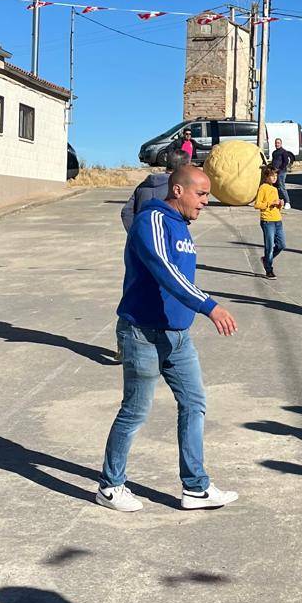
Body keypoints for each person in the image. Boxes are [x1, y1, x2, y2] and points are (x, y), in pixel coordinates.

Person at [97, 163, 240, 513]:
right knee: (135, 410)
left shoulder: (181, 225)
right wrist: (210, 306)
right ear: (178, 191)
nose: (206, 202)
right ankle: (110, 485)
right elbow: (167, 272)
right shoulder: (153, 221)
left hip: (178, 337)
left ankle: (195, 489)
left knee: (194, 404)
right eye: (201, 194)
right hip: (143, 333)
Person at [121, 147, 182, 234]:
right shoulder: (176, 188)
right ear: (183, 168)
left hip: (141, 239)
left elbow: (126, 211)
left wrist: (136, 235)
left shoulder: (142, 186)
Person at [254, 164, 287, 279]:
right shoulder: (263, 188)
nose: (274, 178)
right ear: (266, 176)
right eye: (272, 176)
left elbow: (276, 206)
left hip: (278, 220)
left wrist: (280, 204)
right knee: (269, 246)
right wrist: (270, 203)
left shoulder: (274, 189)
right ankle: (269, 269)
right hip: (267, 221)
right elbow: (257, 205)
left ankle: (266, 259)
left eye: (276, 176)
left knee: (282, 245)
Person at [269, 137, 294, 209]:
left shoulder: (284, 152)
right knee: (274, 187)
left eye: (278, 143)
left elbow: (286, 162)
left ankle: (287, 202)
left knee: (281, 187)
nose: (277, 144)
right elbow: (274, 162)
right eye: (276, 143)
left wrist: (279, 170)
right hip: (274, 173)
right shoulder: (274, 152)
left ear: (281, 144)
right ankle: (276, 202)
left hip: (281, 172)